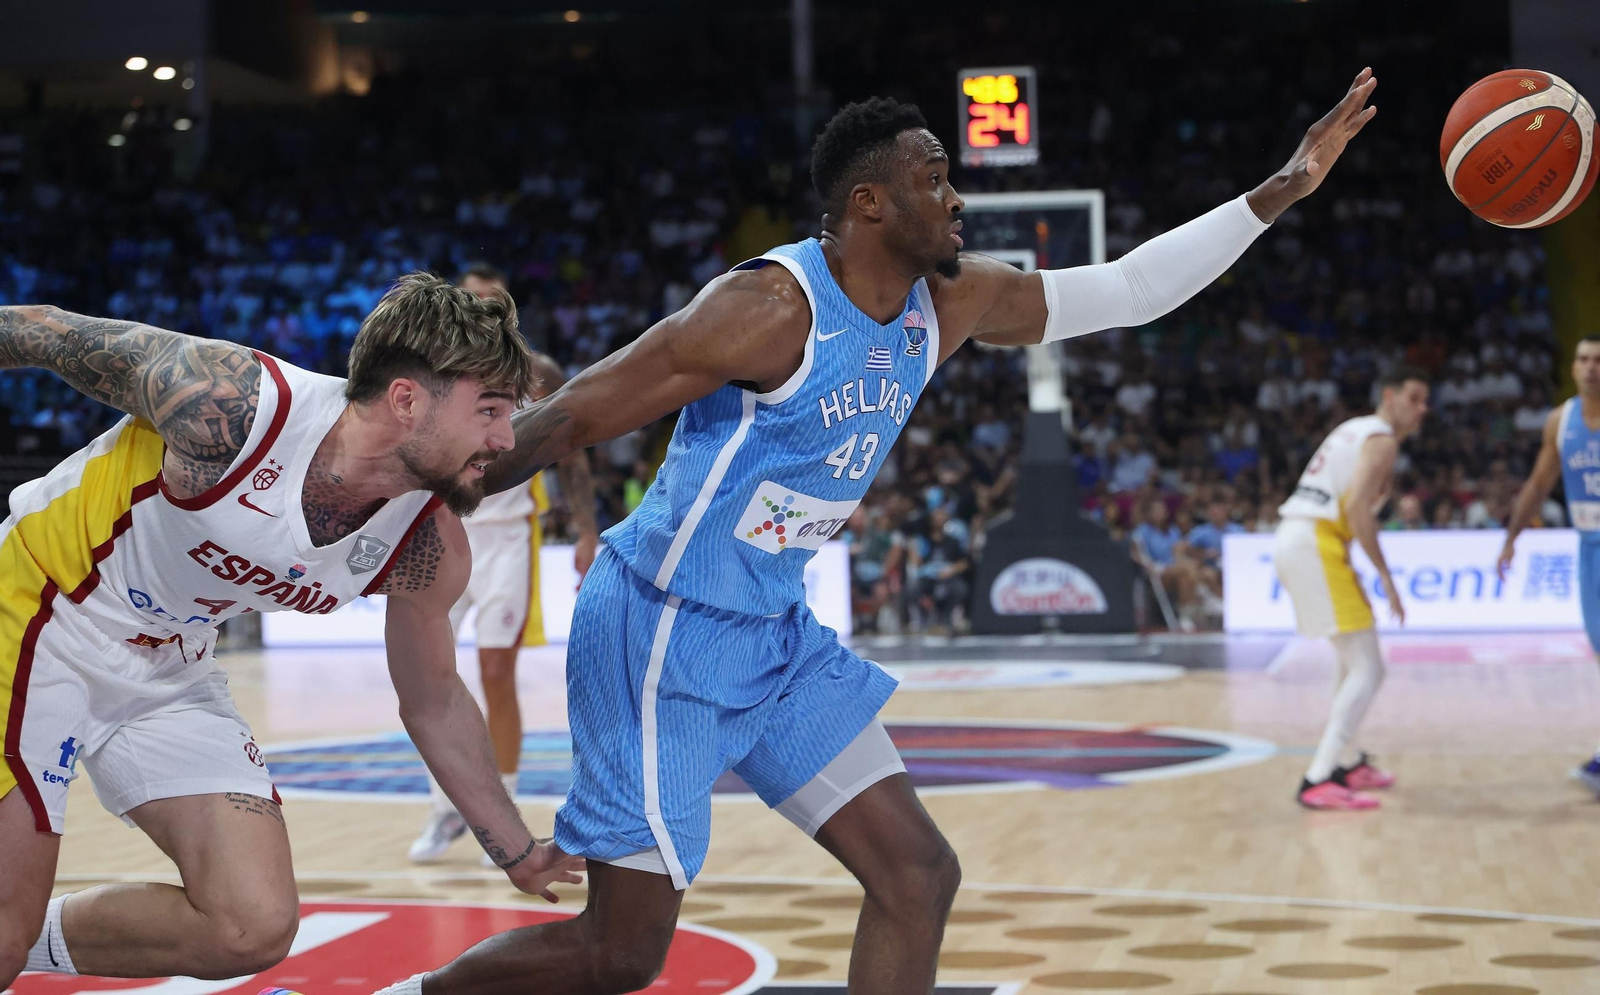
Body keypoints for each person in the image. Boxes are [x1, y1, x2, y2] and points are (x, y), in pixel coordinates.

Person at [310, 70, 1376, 995]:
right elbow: (578, 409)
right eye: (931, 178)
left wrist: (1278, 190)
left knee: (916, 874)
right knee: (623, 953)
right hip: (658, 633)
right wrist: (408, 498)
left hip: (773, 638)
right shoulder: (765, 309)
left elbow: (1129, 291)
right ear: (868, 202)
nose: (954, 195)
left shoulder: (948, 303)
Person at [0, 274, 582, 990]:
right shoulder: (232, 404)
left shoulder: (429, 546)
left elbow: (433, 698)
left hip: (171, 656)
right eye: (490, 409)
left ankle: (22, 938)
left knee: (250, 923)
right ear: (406, 400)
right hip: (39, 606)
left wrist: (517, 850)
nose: (505, 436)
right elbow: (41, 329)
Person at [408, 265, 600, 864]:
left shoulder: (538, 373)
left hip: (510, 538)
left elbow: (571, 454)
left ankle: (505, 813)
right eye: (470, 301)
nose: (480, 311)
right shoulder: (433, 371)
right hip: (444, 533)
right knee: (428, 678)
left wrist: (589, 530)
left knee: (496, 672)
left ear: (507, 309)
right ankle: (446, 811)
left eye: (490, 301)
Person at [1273, 365, 1430, 811]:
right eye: (1415, 398)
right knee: (1369, 668)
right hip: (1315, 543)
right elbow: (1359, 508)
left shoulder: (1354, 428)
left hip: (1306, 538)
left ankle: (1348, 759)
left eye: (1425, 401)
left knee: (1351, 661)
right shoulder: (1382, 439)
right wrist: (1385, 575)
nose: (1423, 409)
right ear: (1390, 395)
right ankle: (1319, 776)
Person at [1498, 335, 1600, 793]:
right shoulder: (1561, 421)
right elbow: (1538, 487)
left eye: (1599, 360)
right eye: (1583, 359)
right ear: (1572, 367)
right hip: (1589, 548)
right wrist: (1511, 539)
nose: (1591, 367)